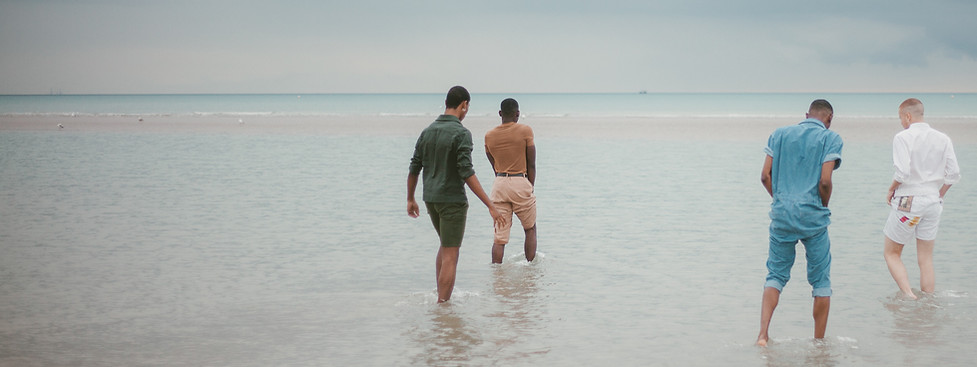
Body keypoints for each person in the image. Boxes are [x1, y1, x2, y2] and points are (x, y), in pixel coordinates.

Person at [756, 99, 843, 346]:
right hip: (814, 217)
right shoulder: (831, 138)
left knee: (775, 275)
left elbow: (764, 176)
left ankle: (763, 335)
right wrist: (822, 205)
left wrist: (781, 199)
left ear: (806, 114)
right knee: (821, 281)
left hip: (782, 214)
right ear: (829, 118)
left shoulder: (779, 134)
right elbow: (825, 181)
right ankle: (818, 344)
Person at [407, 86, 504, 303]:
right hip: (452, 200)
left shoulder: (428, 130)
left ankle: (440, 297)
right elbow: (466, 171)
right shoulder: (461, 133)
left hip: (430, 198)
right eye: (467, 107)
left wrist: (410, 198)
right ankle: (442, 306)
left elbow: (414, 167)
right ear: (464, 105)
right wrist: (490, 204)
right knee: (451, 253)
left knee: (445, 245)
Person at [882, 98, 960, 300]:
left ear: (907, 116)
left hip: (909, 201)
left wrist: (890, 190)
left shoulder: (903, 137)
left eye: (900, 118)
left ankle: (909, 295)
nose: (901, 122)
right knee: (925, 258)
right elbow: (953, 175)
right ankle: (928, 302)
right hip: (933, 202)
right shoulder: (943, 138)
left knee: (891, 253)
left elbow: (902, 173)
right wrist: (939, 194)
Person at [484, 98, 537, 263]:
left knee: (499, 237)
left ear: (500, 113)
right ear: (518, 114)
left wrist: (502, 179)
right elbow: (531, 163)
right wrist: (530, 185)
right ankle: (530, 270)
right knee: (530, 229)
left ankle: (497, 276)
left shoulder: (489, 136)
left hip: (499, 183)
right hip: (520, 181)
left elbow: (494, 164)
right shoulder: (525, 131)